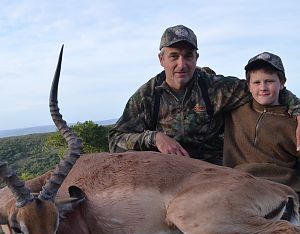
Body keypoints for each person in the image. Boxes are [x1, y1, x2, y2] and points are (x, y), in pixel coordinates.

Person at [108, 25, 300, 165]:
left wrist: (298, 113)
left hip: (214, 172)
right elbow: (115, 140)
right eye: (174, 56)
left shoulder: (216, 87)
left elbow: (263, 88)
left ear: (196, 58)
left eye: (188, 55)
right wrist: (155, 138)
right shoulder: (147, 96)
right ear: (161, 59)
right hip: (168, 173)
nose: (182, 64)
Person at [223, 52, 300, 193]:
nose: (263, 87)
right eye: (256, 82)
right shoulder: (233, 111)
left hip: (281, 189)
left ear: (282, 83)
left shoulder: (294, 124)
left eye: (269, 81)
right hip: (236, 184)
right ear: (249, 86)